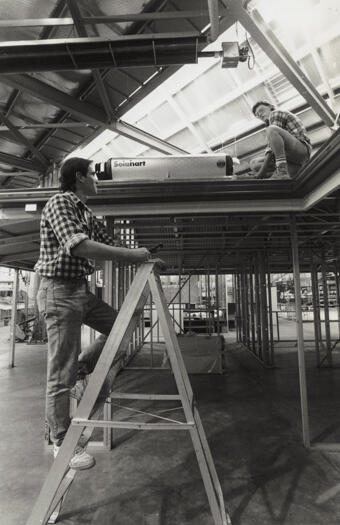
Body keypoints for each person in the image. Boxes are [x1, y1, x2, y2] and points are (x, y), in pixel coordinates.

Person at [35, 157, 151, 470]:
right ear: (79, 177)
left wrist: (146, 258)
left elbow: (109, 241)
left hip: (78, 291)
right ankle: (62, 442)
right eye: (93, 174)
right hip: (59, 291)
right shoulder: (60, 202)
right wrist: (131, 254)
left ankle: (81, 371)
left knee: (122, 327)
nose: (98, 179)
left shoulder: (85, 210)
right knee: (60, 369)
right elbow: (79, 246)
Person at [251, 101, 312, 179]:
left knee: (271, 129)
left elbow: (271, 151)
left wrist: (260, 174)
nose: (260, 115)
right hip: (290, 159)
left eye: (261, 110)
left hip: (301, 150)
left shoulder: (275, 113)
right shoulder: (270, 123)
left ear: (270, 106)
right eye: (258, 115)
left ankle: (281, 170)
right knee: (254, 163)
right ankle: (286, 170)